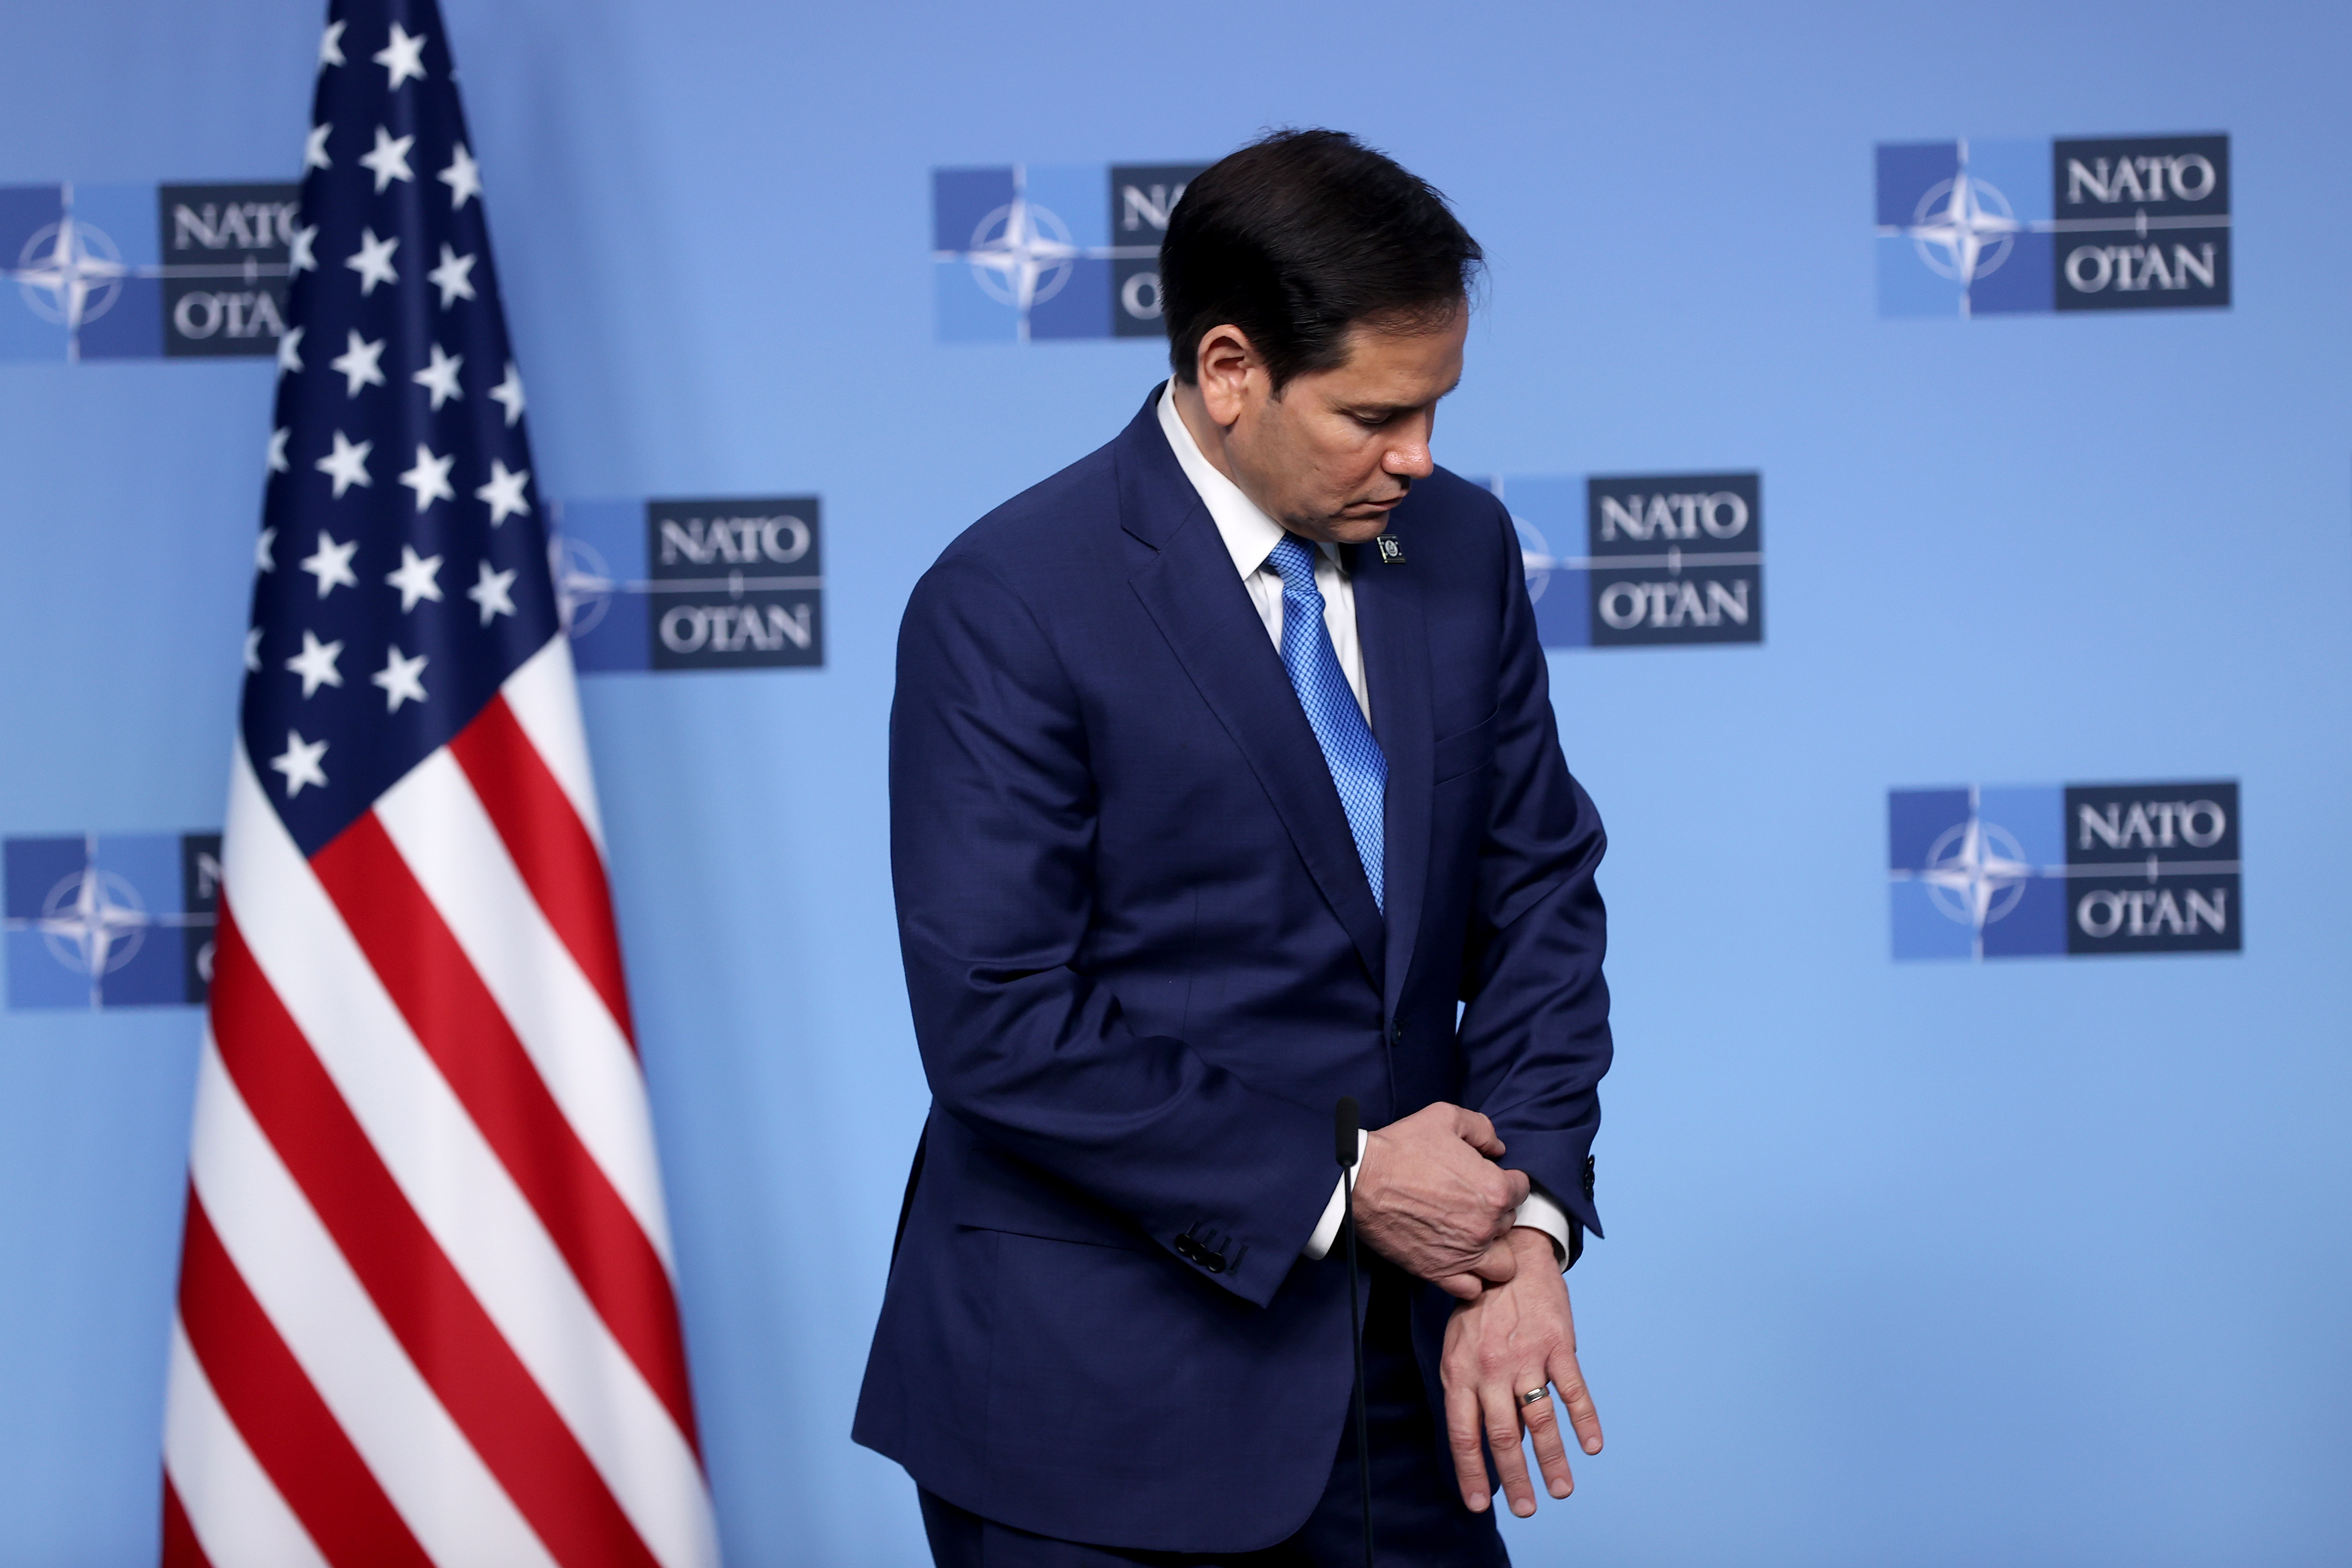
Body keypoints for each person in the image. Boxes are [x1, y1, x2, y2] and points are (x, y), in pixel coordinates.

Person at [855, 128, 1613, 1566]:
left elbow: (1539, 903)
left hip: (1409, 1388)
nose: (1419, 457)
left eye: (1437, 408)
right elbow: (1000, 1020)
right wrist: (1350, 1180)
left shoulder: (1459, 548)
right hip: (1096, 1411)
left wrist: (1519, 1229)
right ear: (1227, 371)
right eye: (1374, 415)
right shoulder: (1009, 600)